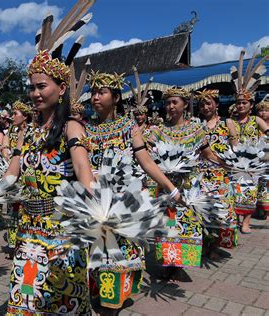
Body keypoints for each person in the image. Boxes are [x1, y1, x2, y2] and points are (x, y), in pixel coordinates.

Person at [4, 1, 95, 313]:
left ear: (61, 87)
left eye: (41, 86)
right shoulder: (26, 131)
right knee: (26, 298)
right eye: (32, 88)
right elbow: (11, 176)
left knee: (62, 299)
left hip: (62, 229)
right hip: (28, 227)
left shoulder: (71, 127)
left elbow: (84, 172)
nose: (35, 93)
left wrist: (98, 211)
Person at [84, 70, 181, 312]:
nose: (95, 97)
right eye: (93, 92)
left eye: (102, 92)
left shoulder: (129, 126)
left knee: (119, 253)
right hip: (94, 201)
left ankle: (112, 301)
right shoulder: (84, 128)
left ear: (115, 98)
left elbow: (146, 162)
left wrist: (170, 187)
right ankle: (100, 293)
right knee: (95, 251)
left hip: (123, 202)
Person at [148, 87, 221, 280]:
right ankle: (167, 262)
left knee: (186, 224)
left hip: (189, 187)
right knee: (167, 224)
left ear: (185, 104)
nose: (170, 106)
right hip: (166, 187)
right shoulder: (159, 131)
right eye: (168, 103)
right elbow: (146, 156)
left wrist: (227, 163)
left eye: (175, 102)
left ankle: (178, 264)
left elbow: (207, 154)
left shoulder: (197, 129)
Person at [226, 51, 269, 233]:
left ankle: (246, 222)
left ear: (251, 105)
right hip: (235, 161)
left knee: (250, 193)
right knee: (235, 191)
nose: (241, 106)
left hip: (253, 162)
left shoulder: (256, 120)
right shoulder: (230, 122)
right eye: (239, 103)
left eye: (244, 103)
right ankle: (236, 219)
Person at [196, 89, 237, 256]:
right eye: (202, 104)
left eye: (208, 103)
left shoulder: (227, 123)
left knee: (220, 210)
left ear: (216, 104)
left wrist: (231, 162)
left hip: (220, 173)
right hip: (201, 173)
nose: (205, 107)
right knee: (203, 210)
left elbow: (235, 148)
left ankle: (214, 246)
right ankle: (205, 244)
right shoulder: (197, 125)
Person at [1, 100, 33, 259]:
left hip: (26, 178)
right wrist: (5, 148)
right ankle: (13, 245)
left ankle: (23, 244)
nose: (12, 116)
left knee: (23, 211)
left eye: (15, 114)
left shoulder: (32, 132)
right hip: (12, 175)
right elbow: (4, 142)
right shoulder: (11, 132)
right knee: (12, 211)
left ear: (25, 116)